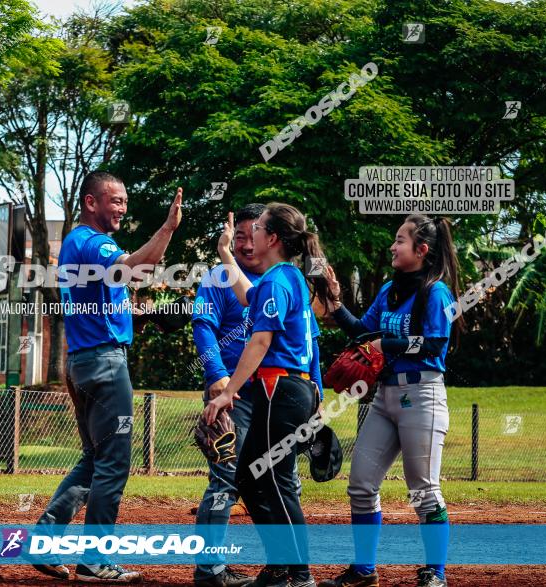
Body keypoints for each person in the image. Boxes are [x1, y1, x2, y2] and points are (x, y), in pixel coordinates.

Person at [29, 171, 182, 583]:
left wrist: (150, 314)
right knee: (113, 463)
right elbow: (135, 270)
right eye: (114, 200)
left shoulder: (78, 245)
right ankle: (95, 560)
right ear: (90, 202)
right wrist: (167, 228)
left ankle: (44, 538)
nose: (122, 208)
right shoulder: (94, 242)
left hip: (83, 361)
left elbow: (110, 299)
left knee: (96, 459)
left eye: (124, 202)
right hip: (105, 365)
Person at [318, 215, 460, 587]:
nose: (393, 247)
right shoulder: (389, 290)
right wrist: (334, 303)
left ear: (422, 250)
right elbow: (364, 331)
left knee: (423, 489)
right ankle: (364, 570)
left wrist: (386, 344)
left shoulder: (436, 292)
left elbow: (434, 345)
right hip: (384, 396)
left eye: (401, 240)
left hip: (423, 393)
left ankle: (436, 573)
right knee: (361, 485)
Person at [204, 203, 333, 587]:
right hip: (285, 390)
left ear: (272, 238)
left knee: (274, 480)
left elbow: (260, 340)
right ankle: (281, 566)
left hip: (282, 390)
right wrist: (225, 254)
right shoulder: (284, 277)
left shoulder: (279, 280)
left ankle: (300, 575)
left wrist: (229, 391)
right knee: (248, 474)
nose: (251, 235)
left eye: (257, 228)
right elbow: (245, 297)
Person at [191, 203, 268, 587]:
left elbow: (309, 338)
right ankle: (210, 570)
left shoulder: (280, 279)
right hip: (231, 398)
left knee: (276, 482)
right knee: (224, 480)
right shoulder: (219, 277)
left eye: (252, 235)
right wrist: (217, 374)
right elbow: (203, 326)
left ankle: (283, 566)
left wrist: (315, 386)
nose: (245, 244)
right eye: (238, 236)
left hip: (274, 397)